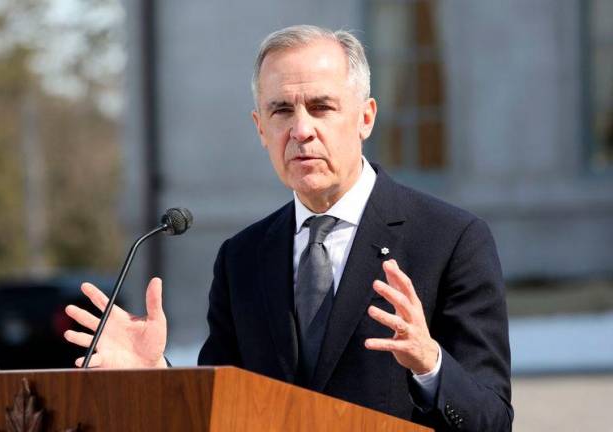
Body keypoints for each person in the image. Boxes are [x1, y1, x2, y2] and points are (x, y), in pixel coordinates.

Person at [64, 25, 513, 431]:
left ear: (365, 117)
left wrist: (429, 364)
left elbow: (491, 421)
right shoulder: (242, 257)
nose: (301, 130)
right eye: (281, 111)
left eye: (321, 107)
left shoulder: (451, 239)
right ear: (260, 128)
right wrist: (156, 377)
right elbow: (220, 413)